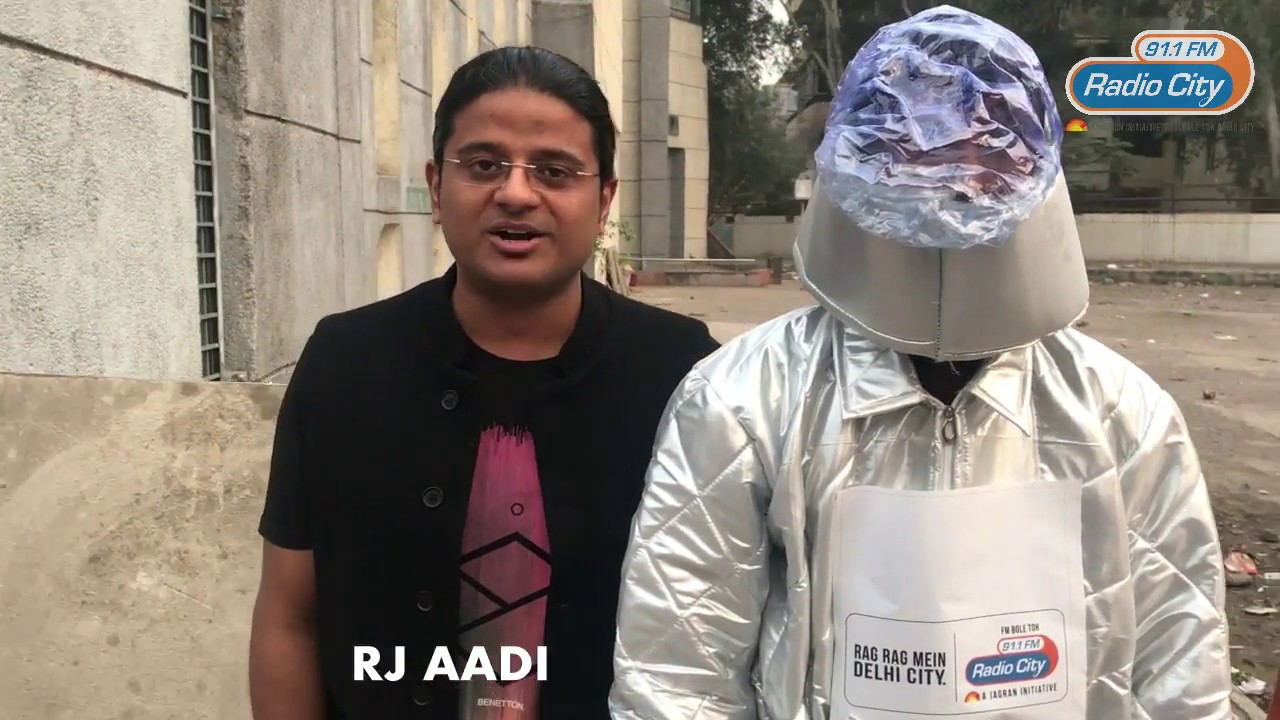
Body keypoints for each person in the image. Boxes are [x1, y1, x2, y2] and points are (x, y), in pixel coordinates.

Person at [610, 7, 1232, 720]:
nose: (951, 173)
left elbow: (1179, 666)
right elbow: (679, 674)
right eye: (913, 144)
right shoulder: (746, 400)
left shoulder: (1123, 415)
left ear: (1035, 165)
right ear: (855, 165)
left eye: (986, 142)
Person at [248, 46, 719, 719]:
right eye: (484, 165)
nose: (516, 194)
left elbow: (717, 633)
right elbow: (289, 617)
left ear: (604, 200)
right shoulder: (346, 363)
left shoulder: (685, 375)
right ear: (437, 186)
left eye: (554, 171)